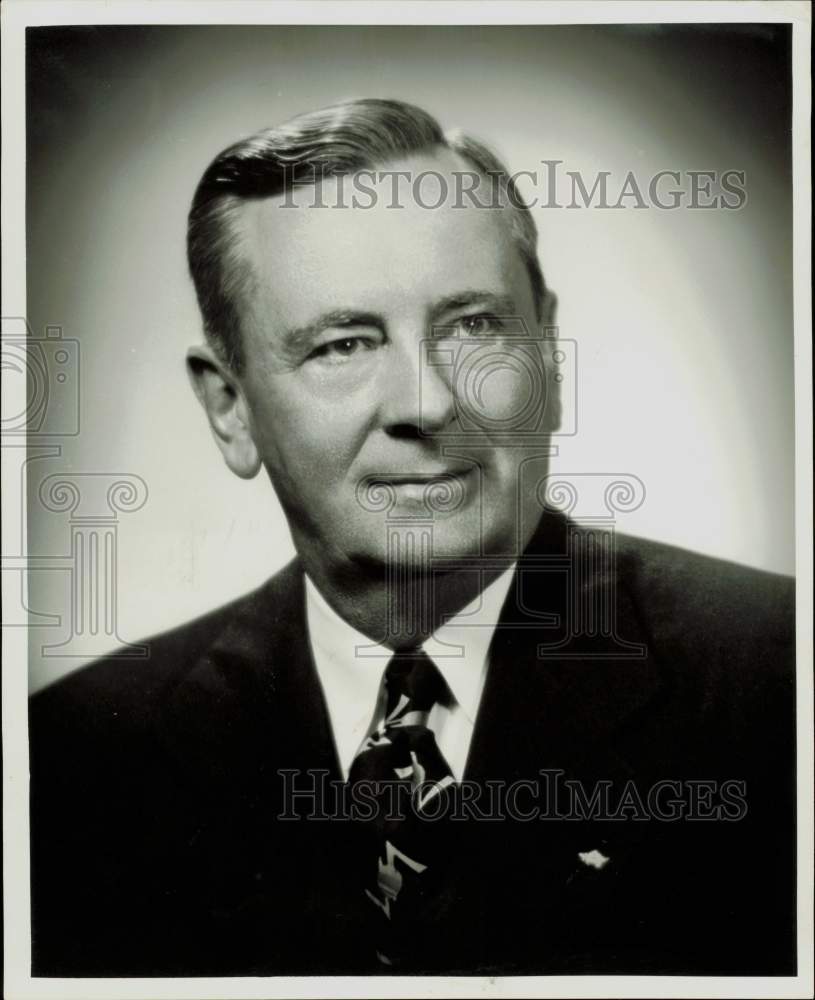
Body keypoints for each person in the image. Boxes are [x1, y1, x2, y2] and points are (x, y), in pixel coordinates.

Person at [29, 98, 795, 977]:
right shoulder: (71, 763)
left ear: (546, 351)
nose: (426, 404)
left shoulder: (779, 683)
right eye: (344, 344)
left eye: (473, 327)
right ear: (229, 407)